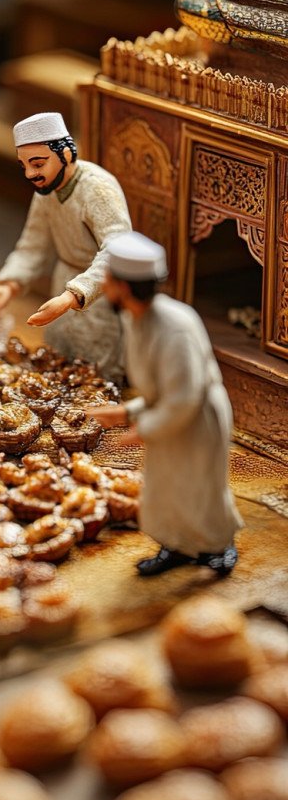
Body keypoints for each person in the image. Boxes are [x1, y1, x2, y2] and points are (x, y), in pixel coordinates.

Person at [88, 231, 243, 577]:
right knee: (165, 485)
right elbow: (160, 390)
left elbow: (184, 397)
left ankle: (218, 545)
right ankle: (176, 545)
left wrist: (143, 429)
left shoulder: (176, 328)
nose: (105, 286)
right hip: (168, 414)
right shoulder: (135, 317)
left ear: (125, 287)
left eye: (109, 279)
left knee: (199, 486)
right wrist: (126, 412)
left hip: (197, 420)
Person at [0, 112, 131, 381]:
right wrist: (9, 285)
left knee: (96, 372)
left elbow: (118, 249)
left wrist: (73, 296)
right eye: (24, 166)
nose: (30, 174)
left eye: (38, 164)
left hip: (99, 290)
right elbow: (33, 245)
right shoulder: (46, 191)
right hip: (62, 282)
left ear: (65, 154)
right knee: (56, 360)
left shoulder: (97, 188)